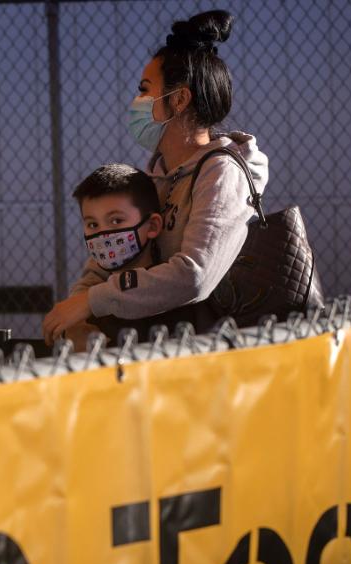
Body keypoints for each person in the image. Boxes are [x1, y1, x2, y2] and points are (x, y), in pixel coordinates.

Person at [42, 9, 268, 345]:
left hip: (210, 354)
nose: (137, 101)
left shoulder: (222, 173)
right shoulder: (157, 176)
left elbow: (194, 275)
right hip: (159, 349)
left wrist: (93, 301)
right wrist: (79, 312)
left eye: (145, 90)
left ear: (178, 99)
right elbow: (107, 261)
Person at [61, 163, 164, 350]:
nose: (103, 235)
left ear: (153, 226)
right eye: (93, 225)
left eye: (116, 221)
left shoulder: (170, 297)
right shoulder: (86, 309)